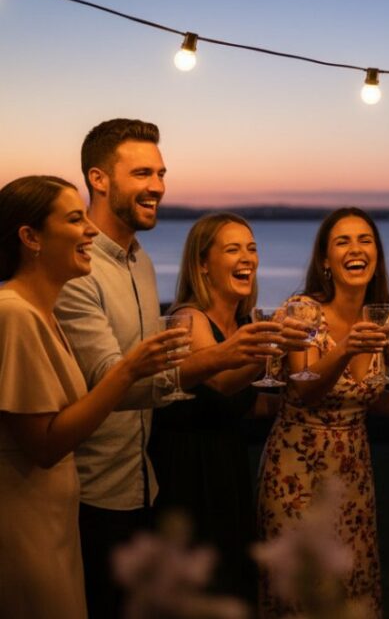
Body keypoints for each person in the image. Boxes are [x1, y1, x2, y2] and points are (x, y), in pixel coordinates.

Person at [55, 119, 253, 617]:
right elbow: (112, 383)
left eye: (161, 173)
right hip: (94, 491)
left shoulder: (139, 262)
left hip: (150, 480)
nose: (158, 186)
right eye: (143, 173)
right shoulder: (78, 268)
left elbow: (154, 366)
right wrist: (220, 358)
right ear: (99, 179)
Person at [0, 176, 186, 619]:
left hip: (55, 520)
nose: (90, 230)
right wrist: (128, 371)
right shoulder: (14, 314)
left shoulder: (43, 314)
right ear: (30, 237)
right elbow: (45, 445)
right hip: (24, 524)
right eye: (74, 219)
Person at [257, 207, 389, 618]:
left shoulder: (379, 315)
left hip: (353, 472)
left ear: (376, 254)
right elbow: (305, 389)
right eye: (343, 241)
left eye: (365, 240)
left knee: (351, 584)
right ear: (326, 260)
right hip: (298, 471)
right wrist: (345, 349)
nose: (356, 249)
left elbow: (365, 396)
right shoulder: (302, 310)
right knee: (302, 591)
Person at [149, 212, 309, 601]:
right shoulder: (188, 318)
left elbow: (248, 402)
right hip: (189, 472)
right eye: (233, 249)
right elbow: (221, 383)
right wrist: (275, 346)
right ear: (202, 264)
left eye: (251, 248)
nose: (247, 258)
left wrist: (309, 395)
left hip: (227, 466)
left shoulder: (242, 324)